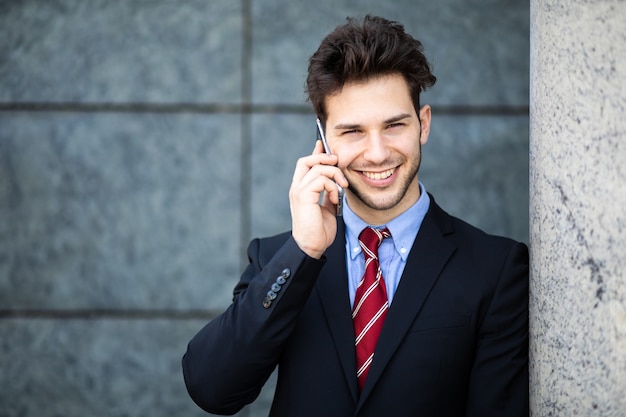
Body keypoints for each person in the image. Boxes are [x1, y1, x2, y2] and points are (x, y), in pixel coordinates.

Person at [182, 15, 528, 417]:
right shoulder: (280, 258)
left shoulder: (496, 269)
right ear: (324, 139)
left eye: (394, 125)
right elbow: (212, 389)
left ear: (424, 124)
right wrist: (304, 251)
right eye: (353, 132)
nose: (378, 152)